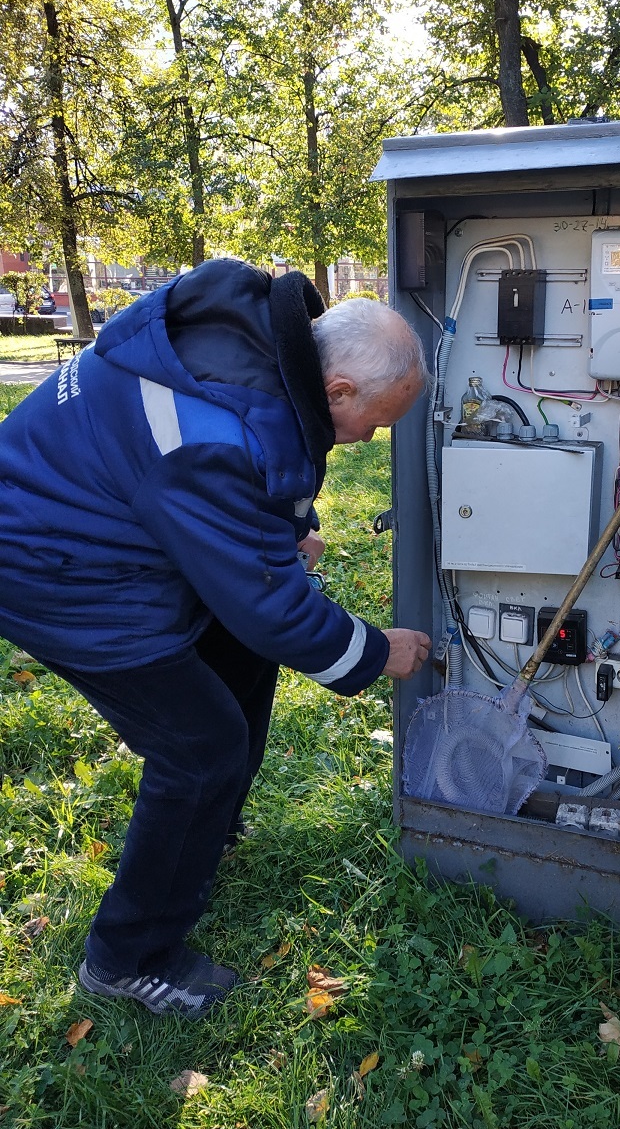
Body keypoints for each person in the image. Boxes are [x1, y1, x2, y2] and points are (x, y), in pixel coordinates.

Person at [0, 258, 431, 1018]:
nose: (368, 440)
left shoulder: (258, 352)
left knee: (237, 665)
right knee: (201, 747)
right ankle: (127, 957)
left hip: (106, 534)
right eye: (378, 421)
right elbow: (270, 605)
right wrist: (372, 651)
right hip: (54, 570)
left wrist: (295, 531)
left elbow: (264, 485)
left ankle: (203, 831)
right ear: (338, 389)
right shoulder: (206, 432)